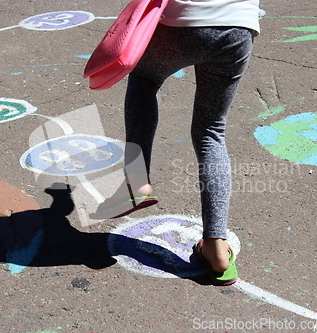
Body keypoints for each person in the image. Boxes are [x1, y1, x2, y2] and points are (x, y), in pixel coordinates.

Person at [91, 0, 260, 285]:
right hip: (237, 25)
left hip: (181, 21)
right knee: (211, 130)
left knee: (144, 79)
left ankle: (136, 180)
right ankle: (217, 247)